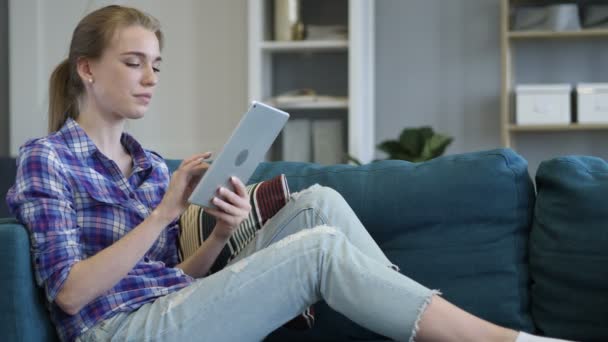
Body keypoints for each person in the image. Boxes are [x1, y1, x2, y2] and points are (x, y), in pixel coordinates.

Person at [6, 5, 571, 342]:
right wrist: (164, 214)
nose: (150, 77)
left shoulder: (150, 164)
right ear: (87, 68)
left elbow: (178, 276)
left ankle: (420, 322)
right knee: (319, 249)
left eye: (156, 65)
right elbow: (73, 294)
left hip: (170, 307)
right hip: (120, 331)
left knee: (318, 204)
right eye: (133, 63)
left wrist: (222, 233)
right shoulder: (47, 159)